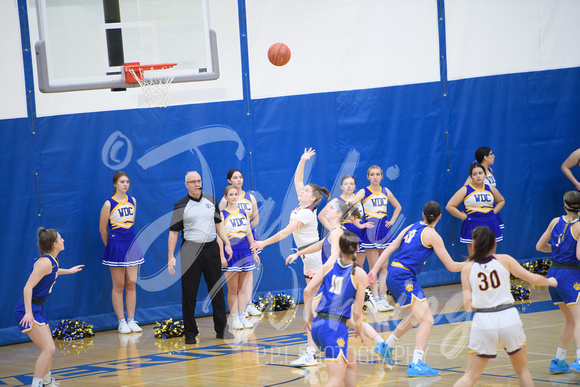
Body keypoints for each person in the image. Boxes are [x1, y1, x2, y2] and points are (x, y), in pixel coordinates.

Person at [288, 199, 394, 366]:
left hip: (334, 279)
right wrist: (298, 253)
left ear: (339, 214)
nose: (327, 209)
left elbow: (334, 255)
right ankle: (382, 344)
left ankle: (310, 354)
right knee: (349, 319)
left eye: (331, 207)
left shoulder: (337, 232)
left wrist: (322, 271)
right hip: (339, 278)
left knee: (314, 312)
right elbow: (320, 245)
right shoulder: (335, 231)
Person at [251, 147, 330, 366]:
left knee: (313, 306)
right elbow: (298, 179)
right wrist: (302, 159)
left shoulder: (306, 212)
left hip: (313, 257)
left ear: (312, 198)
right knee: (314, 305)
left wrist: (262, 243)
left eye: (305, 191)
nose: (301, 190)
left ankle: (311, 351)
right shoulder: (301, 204)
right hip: (305, 257)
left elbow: (285, 233)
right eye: (302, 190)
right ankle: (318, 345)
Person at [368, 201, 464, 376]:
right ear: (440, 217)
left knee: (416, 316)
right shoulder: (433, 235)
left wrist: (374, 269)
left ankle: (386, 346)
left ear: (423, 214)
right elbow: (451, 266)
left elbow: (390, 248)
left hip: (396, 273)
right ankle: (416, 363)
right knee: (427, 320)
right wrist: (472, 263)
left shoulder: (411, 227)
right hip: (403, 277)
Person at [454, 226, 557, 386]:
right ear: (494, 244)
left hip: (483, 320)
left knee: (470, 376)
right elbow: (534, 280)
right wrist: (550, 281)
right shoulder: (505, 260)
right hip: (508, 316)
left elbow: (468, 306)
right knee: (523, 372)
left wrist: (484, 299)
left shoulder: (467, 268)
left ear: (473, 244)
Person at [168, 171, 234, 343]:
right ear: (186, 185)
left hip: (211, 248)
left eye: (199, 181)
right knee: (189, 293)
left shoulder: (211, 200)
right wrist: (170, 256)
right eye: (193, 182)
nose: (197, 184)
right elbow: (174, 233)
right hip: (190, 249)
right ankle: (190, 332)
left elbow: (219, 225)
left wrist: (226, 243)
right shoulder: (180, 205)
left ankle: (221, 329)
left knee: (217, 291)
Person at [14, 228, 84, 387]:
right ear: (55, 244)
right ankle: (37, 384)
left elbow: (52, 272)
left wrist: (70, 271)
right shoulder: (46, 262)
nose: (63, 240)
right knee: (49, 348)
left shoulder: (51, 261)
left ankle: (46, 381)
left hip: (37, 308)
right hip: (28, 309)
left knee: (48, 347)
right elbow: (27, 288)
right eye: (61, 238)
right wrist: (28, 312)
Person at [303, 231, 367, 387]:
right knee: (335, 380)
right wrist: (359, 329)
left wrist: (309, 316)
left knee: (350, 361)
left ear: (339, 248)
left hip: (318, 326)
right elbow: (358, 312)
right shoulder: (359, 273)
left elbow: (307, 291)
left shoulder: (328, 266)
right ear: (357, 248)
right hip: (334, 328)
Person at [536, 190, 580, 373]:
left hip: (553, 273)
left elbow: (539, 246)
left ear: (565, 205)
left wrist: (557, 253)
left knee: (570, 320)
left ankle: (559, 361)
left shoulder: (555, 221)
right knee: (579, 320)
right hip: (570, 274)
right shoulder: (579, 226)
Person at [99, 171, 144, 334]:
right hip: (116, 245)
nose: (125, 184)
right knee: (119, 285)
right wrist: (110, 246)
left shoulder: (133, 201)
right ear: (115, 184)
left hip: (132, 245)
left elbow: (130, 225)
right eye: (122, 182)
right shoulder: (108, 204)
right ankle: (121, 321)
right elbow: (102, 229)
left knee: (131, 283)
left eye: (127, 182)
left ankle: (131, 319)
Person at [352, 165, 402, 312]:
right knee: (374, 268)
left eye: (378, 174)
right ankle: (375, 300)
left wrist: (392, 221)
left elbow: (398, 207)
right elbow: (350, 207)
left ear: (381, 176)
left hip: (384, 232)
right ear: (368, 177)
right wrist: (359, 224)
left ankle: (382, 299)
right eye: (372, 174)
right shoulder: (363, 191)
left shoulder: (386, 191)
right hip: (370, 232)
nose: (375, 177)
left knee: (384, 267)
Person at [219, 169, 263, 317]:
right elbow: (219, 224)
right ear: (229, 181)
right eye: (235, 177)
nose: (238, 180)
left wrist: (246, 229)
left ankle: (248, 304)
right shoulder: (225, 200)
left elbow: (255, 218)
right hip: (231, 241)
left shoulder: (250, 197)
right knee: (235, 279)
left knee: (248, 272)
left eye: (240, 177)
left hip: (247, 238)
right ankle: (238, 311)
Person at [446, 163, 505, 256]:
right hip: (473, 223)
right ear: (471, 177)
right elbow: (450, 206)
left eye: (480, 173)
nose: (478, 176)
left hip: (491, 222)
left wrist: (493, 213)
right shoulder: (465, 189)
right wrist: (464, 216)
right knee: (475, 258)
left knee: (492, 257)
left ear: (485, 175)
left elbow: (501, 200)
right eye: (475, 174)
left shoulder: (491, 189)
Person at [464, 147, 504, 229]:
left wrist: (493, 212)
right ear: (485, 157)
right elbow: (464, 190)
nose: (494, 156)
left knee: (492, 238)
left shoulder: (490, 170)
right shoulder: (477, 173)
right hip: (479, 209)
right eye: (491, 154)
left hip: (490, 206)